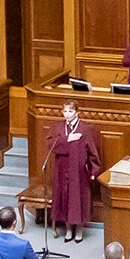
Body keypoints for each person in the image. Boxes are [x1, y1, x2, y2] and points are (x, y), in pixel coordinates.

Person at [43, 99, 104, 243]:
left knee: (79, 199)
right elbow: (50, 144)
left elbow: (92, 151)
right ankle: (68, 229)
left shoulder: (84, 129)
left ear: (77, 112)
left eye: (70, 111)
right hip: (61, 169)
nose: (67, 114)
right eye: (65, 111)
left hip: (79, 171)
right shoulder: (58, 127)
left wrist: (94, 170)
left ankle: (80, 230)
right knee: (64, 198)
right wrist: (68, 139)